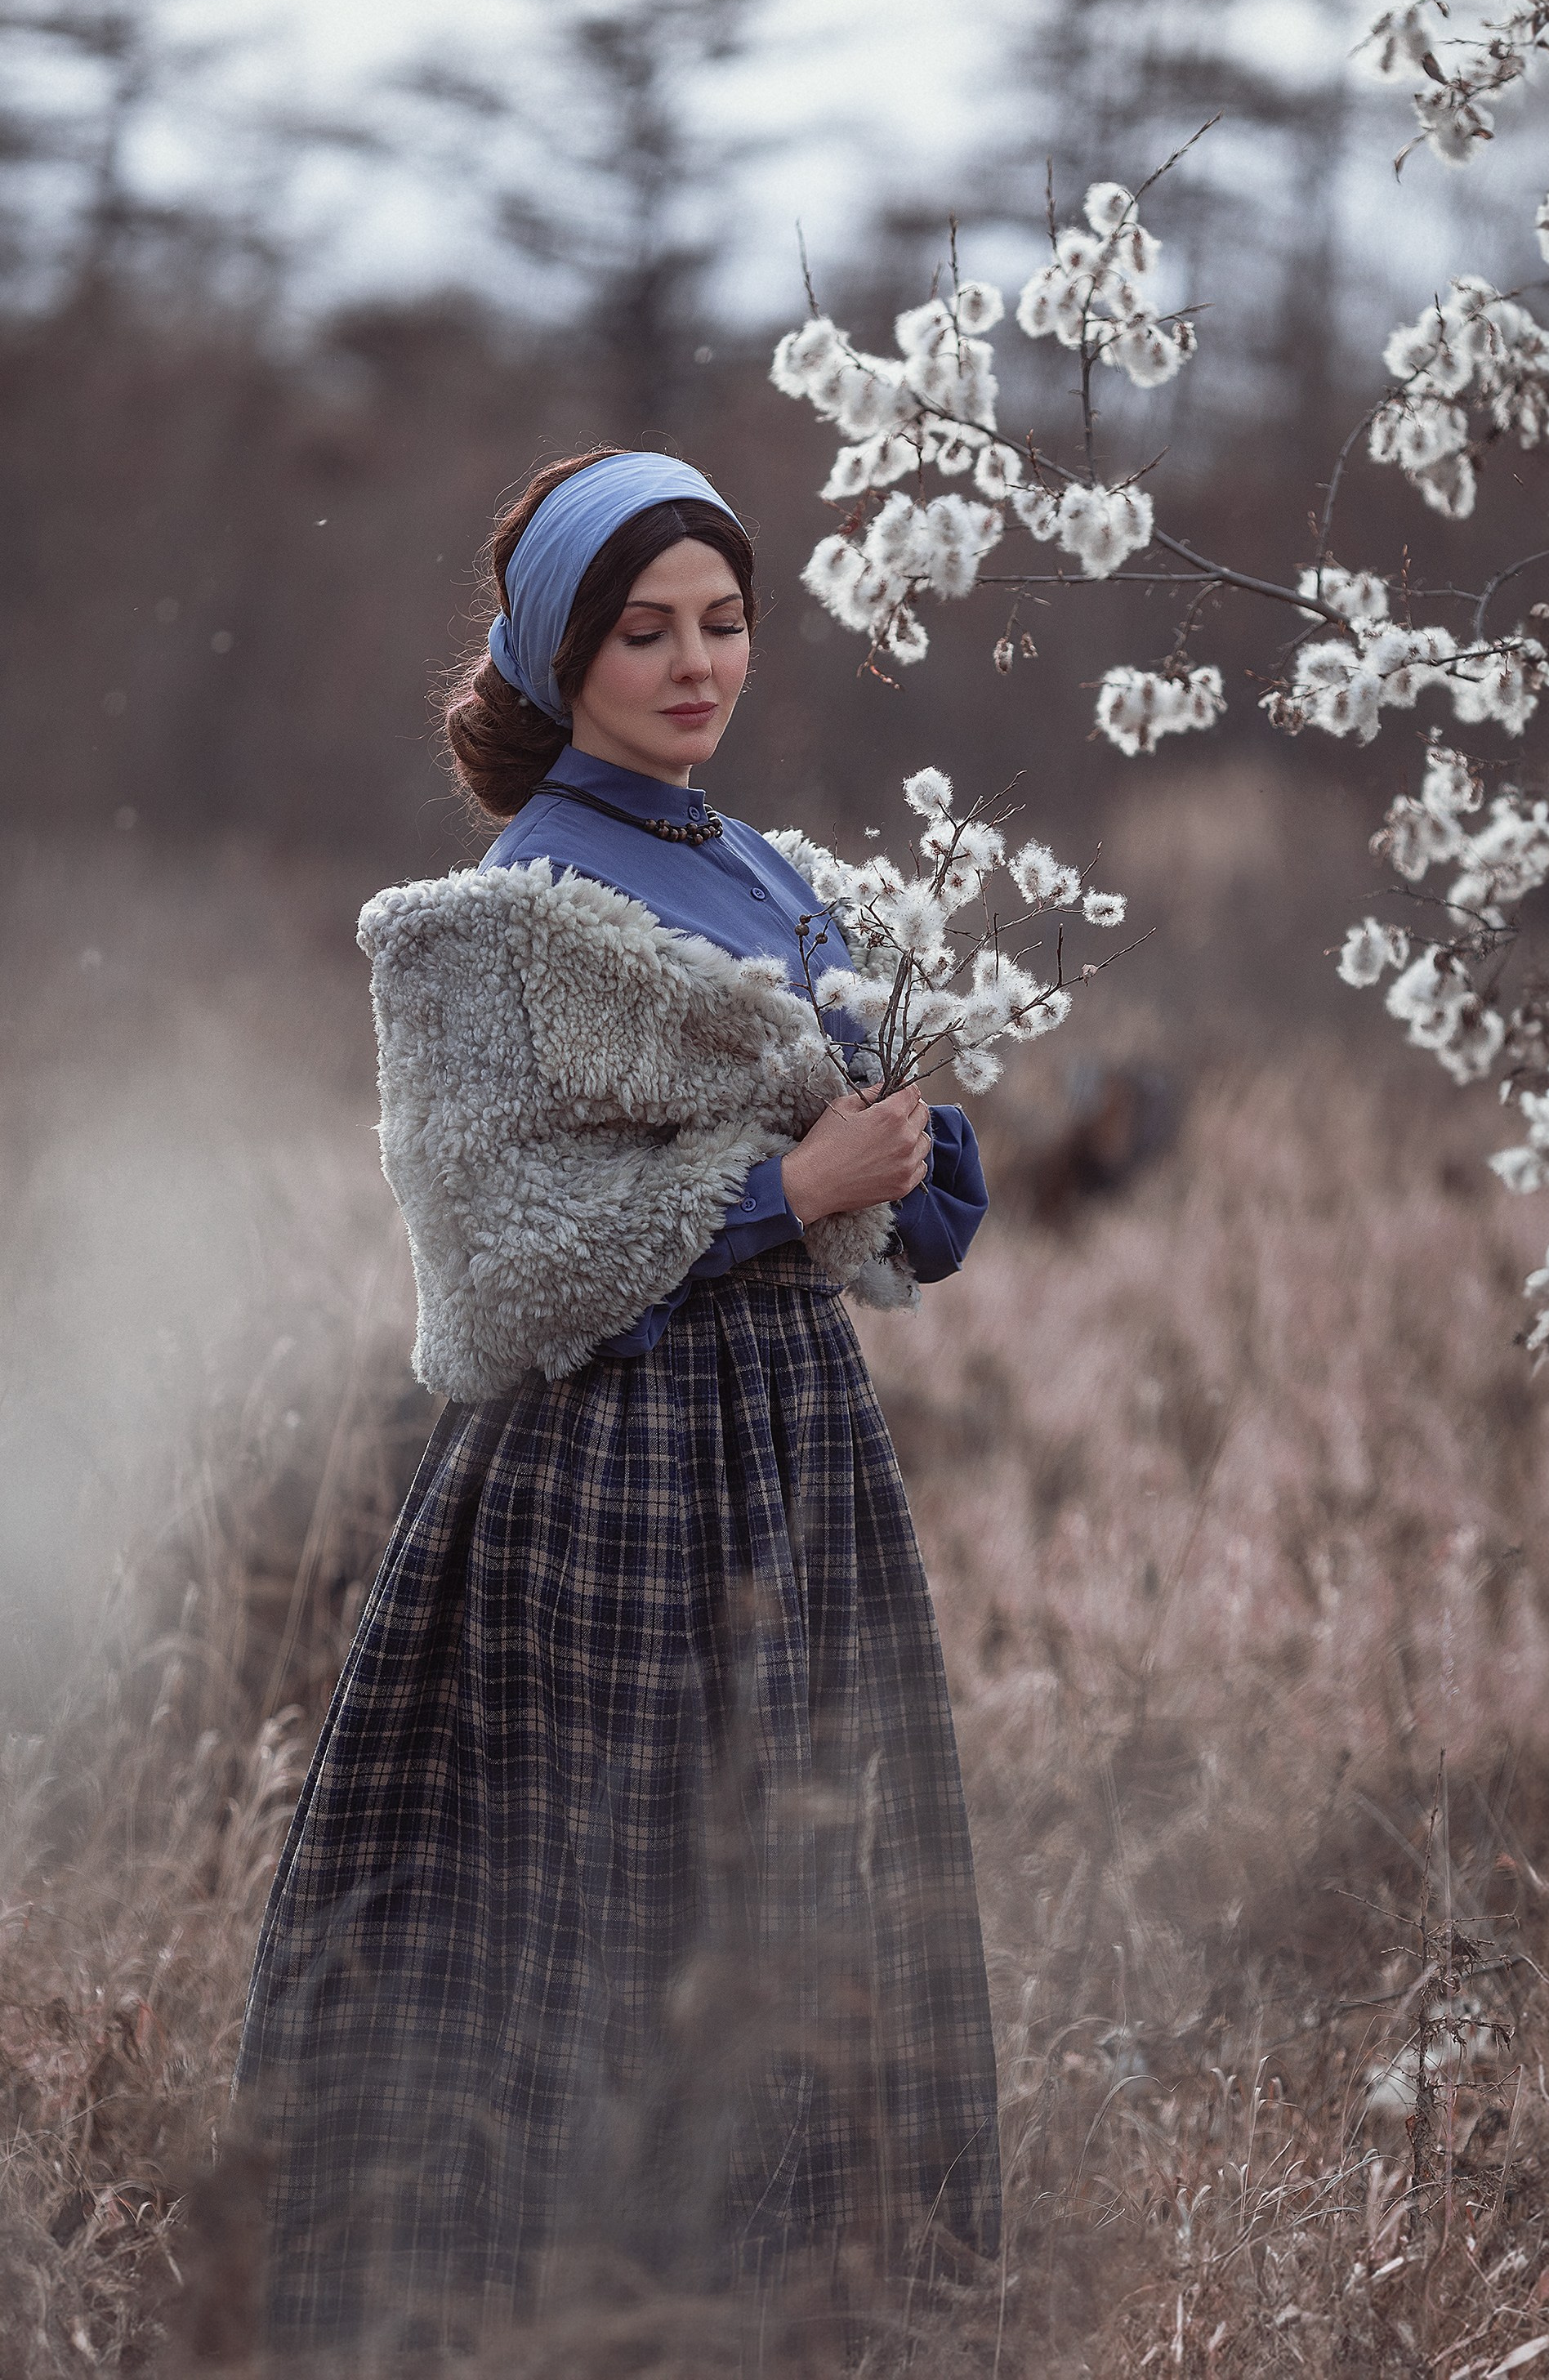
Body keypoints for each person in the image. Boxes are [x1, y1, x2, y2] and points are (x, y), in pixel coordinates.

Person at [234, 447, 1001, 2354]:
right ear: (555, 653)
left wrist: (901, 1156)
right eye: (642, 630)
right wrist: (785, 1189)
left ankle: (789, 2292)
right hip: (608, 1463)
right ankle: (575, 2295)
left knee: (805, 1861)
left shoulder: (761, 867)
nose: (691, 664)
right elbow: (490, 1240)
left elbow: (869, 1176)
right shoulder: (500, 908)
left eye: (722, 623)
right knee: (613, 1887)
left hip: (795, 1443)